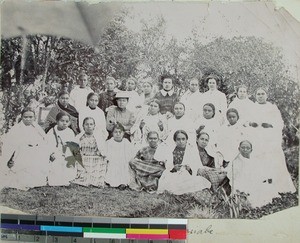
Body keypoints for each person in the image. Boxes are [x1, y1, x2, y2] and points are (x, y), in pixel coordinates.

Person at [247, 87, 296, 194]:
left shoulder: (272, 108)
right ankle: (260, 184)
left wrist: (270, 125)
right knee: (258, 158)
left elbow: (280, 123)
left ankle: (275, 185)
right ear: (255, 96)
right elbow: (246, 122)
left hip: (269, 137)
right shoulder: (252, 107)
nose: (260, 96)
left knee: (272, 159)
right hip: (256, 137)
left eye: (262, 94)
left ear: (266, 95)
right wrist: (251, 124)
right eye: (258, 94)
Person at [0, 107, 49, 190]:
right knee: (22, 176)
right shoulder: (16, 129)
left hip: (35, 155)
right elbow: (9, 146)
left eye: (31, 117)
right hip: (21, 155)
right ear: (22, 117)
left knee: (37, 172)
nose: (28, 119)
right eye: (25, 117)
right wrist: (9, 159)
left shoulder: (37, 128)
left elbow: (44, 141)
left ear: (34, 118)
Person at [155, 130, 211, 195]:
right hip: (173, 175)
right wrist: (174, 168)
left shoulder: (191, 150)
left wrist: (190, 169)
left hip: (187, 175)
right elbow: (168, 166)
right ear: (175, 140)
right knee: (169, 183)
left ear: (186, 140)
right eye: (178, 139)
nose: (181, 141)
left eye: (183, 139)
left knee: (200, 180)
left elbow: (196, 165)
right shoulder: (171, 150)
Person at [226, 140, 280, 207]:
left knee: (266, 187)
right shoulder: (235, 161)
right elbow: (232, 177)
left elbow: (257, 174)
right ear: (239, 149)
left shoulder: (254, 161)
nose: (245, 149)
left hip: (253, 183)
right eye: (243, 147)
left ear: (251, 150)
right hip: (241, 185)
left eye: (247, 148)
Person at [46, 112, 78, 186]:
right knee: (55, 164)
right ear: (57, 121)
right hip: (55, 152)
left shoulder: (70, 132)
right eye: (62, 121)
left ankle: (67, 177)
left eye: (67, 121)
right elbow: (48, 144)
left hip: (66, 153)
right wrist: (51, 153)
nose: (64, 123)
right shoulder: (52, 131)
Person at [74, 117, 107, 187]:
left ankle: (94, 180)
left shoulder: (98, 137)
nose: (89, 126)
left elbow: (102, 150)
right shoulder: (79, 137)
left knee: (103, 161)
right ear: (83, 126)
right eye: (87, 124)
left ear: (94, 126)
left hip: (95, 159)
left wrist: (101, 154)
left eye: (91, 124)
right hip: (83, 159)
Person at [105, 123, 136, 189]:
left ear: (123, 133)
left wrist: (126, 160)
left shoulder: (126, 142)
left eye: (120, 132)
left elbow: (130, 153)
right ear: (112, 133)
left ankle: (123, 183)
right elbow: (106, 154)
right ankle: (111, 182)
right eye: (116, 132)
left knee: (124, 168)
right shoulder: (109, 142)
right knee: (112, 168)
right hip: (113, 162)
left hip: (123, 162)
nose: (118, 134)